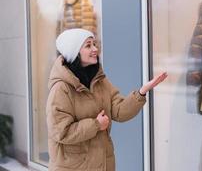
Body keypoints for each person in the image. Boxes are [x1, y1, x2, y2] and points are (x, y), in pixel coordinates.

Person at [46, 28, 167, 171]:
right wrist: (96, 125)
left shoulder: (100, 81)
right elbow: (60, 131)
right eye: (88, 45)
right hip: (74, 166)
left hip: (103, 164)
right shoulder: (61, 88)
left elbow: (119, 112)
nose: (95, 49)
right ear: (75, 53)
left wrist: (141, 92)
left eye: (94, 44)